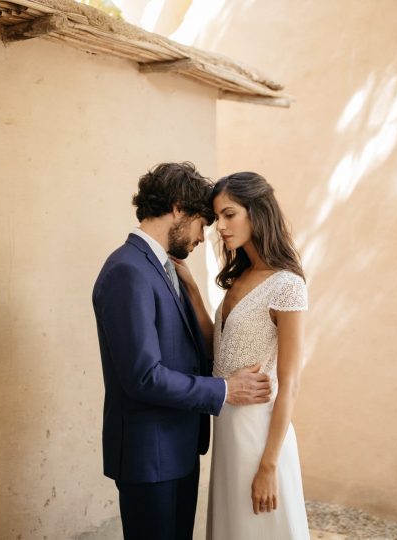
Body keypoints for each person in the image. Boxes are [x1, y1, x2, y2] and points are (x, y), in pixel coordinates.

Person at [92, 162, 273, 540]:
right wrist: (225, 391)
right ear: (178, 208)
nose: (204, 238)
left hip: (176, 450)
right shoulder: (128, 270)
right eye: (201, 223)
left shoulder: (163, 268)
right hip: (150, 456)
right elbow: (143, 377)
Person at [173, 171, 311, 539]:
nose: (219, 226)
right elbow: (216, 348)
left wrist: (269, 465)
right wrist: (189, 286)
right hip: (228, 427)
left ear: (257, 212)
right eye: (217, 217)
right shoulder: (239, 278)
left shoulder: (287, 285)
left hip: (260, 435)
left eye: (229, 214)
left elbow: (291, 383)